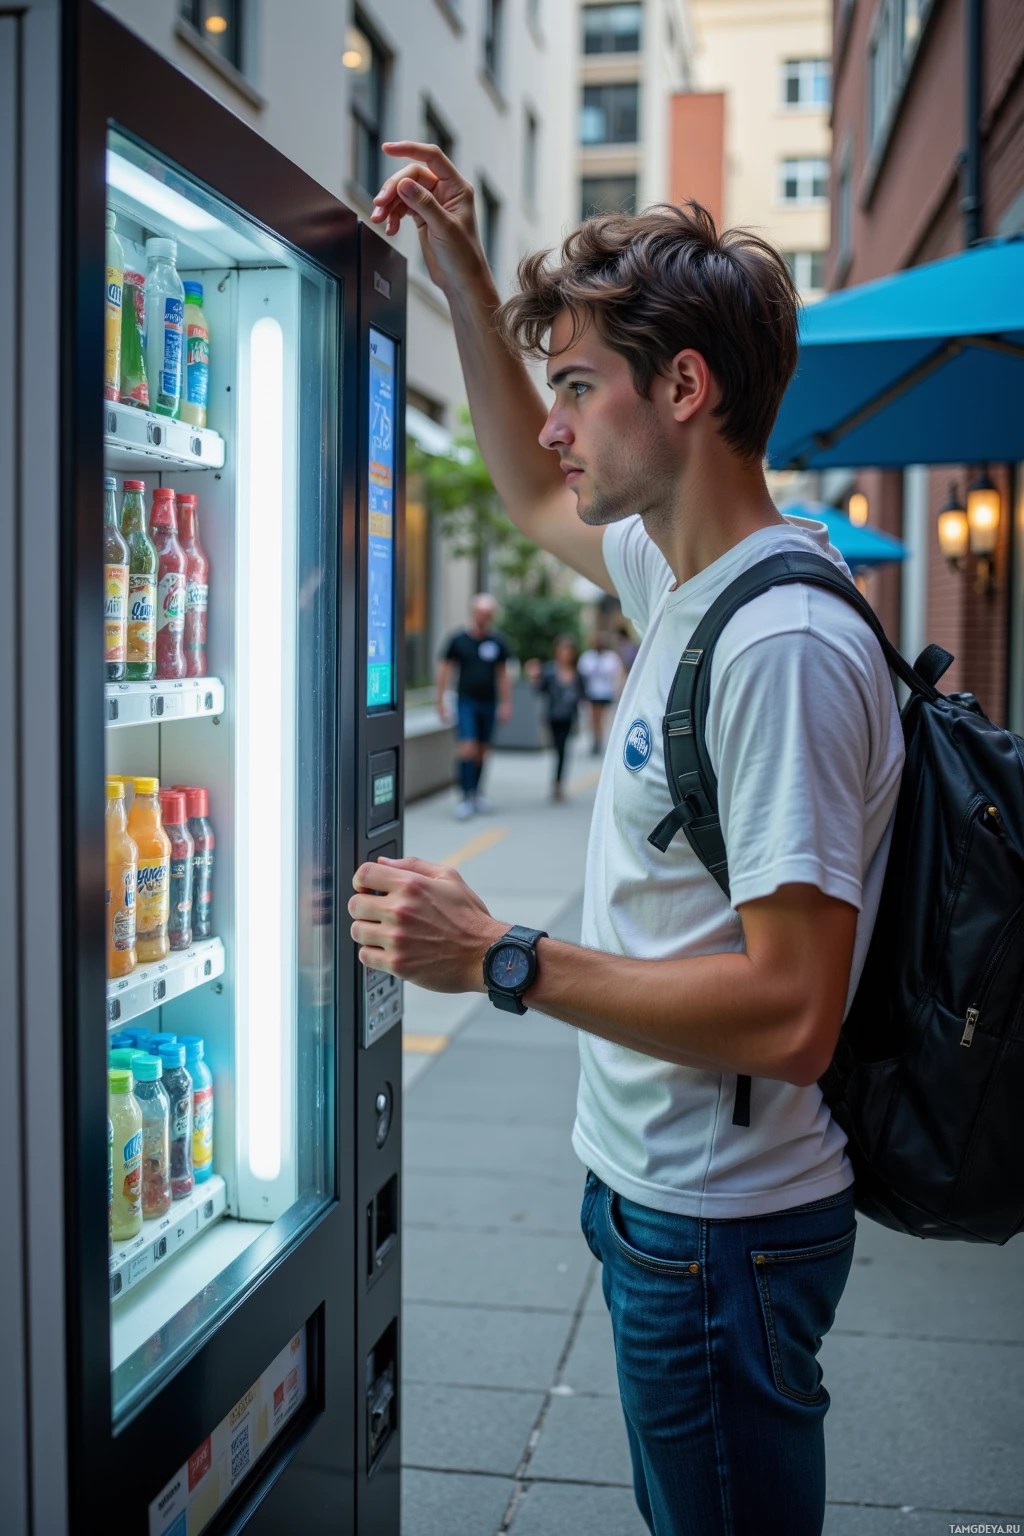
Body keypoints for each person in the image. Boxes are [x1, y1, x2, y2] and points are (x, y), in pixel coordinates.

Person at [354, 143, 904, 1536]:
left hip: (724, 1231)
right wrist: (469, 285)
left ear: (684, 390)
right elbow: (538, 499)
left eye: (581, 389)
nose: (556, 429)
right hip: (665, 1203)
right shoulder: (686, 568)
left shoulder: (776, 643)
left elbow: (792, 1015)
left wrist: (501, 959)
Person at [437, 593, 512, 819]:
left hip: (488, 702)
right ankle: (465, 797)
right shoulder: (459, 640)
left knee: (481, 751)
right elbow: (445, 669)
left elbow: (503, 675)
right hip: (466, 700)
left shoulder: (497, 641)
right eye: (481, 613)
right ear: (473, 614)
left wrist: (506, 703)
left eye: (488, 614)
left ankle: (477, 793)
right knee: (467, 747)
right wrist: (440, 700)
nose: (484, 618)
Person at [525, 635, 584, 799]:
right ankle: (557, 781)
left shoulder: (576, 673)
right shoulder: (549, 671)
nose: (565, 654)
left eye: (568, 651)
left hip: (568, 716)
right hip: (553, 716)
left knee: (563, 750)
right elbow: (539, 690)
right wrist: (534, 677)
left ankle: (558, 782)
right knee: (558, 749)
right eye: (562, 650)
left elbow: (582, 694)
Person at [577, 632, 624, 753]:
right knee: (594, 717)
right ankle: (595, 739)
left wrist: (617, 690)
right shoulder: (587, 657)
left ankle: (601, 738)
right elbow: (581, 675)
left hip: (605, 692)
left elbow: (617, 675)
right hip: (592, 692)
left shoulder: (611, 658)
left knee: (603, 717)